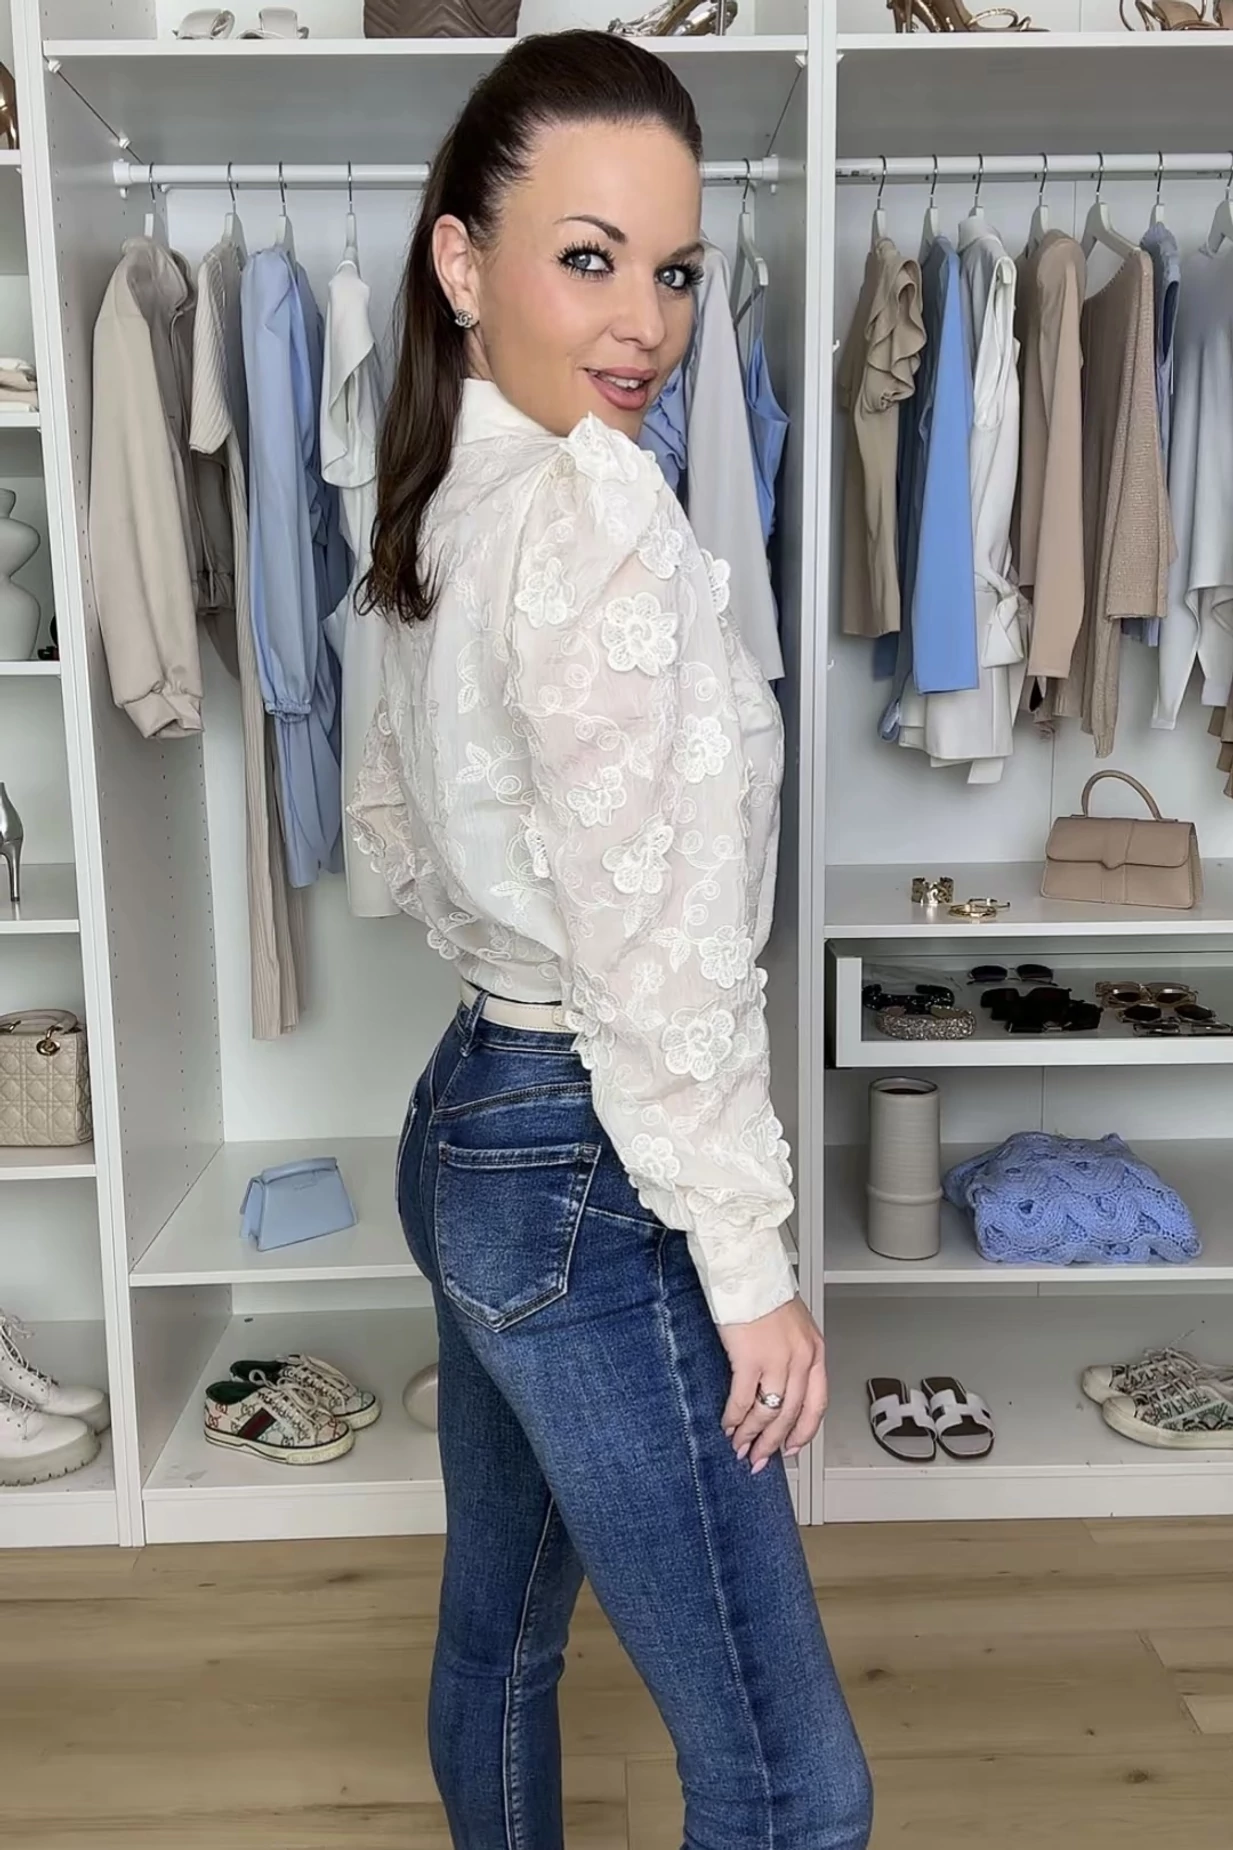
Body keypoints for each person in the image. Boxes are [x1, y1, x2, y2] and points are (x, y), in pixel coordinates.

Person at [350, 29, 872, 1848]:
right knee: (794, 1787)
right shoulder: (591, 515)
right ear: (460, 260)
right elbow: (652, 952)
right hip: (589, 1166)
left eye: (675, 269)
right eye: (589, 258)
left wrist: (520, 976)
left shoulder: (440, 491)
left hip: (473, 1123)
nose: (646, 322)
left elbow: (399, 836)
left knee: (500, 1638)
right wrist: (750, 1259)